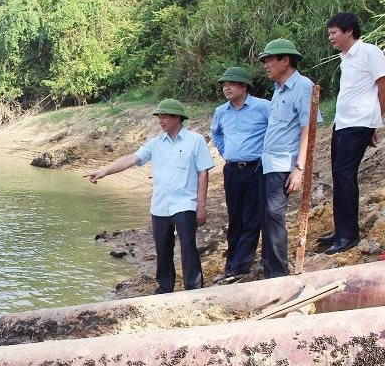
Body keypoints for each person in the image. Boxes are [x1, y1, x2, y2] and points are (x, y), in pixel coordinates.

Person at [85, 99, 215, 293]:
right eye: (159, 117)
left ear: (177, 117)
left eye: (164, 117)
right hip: (160, 205)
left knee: (188, 247)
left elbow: (203, 173)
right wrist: (104, 171)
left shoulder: (195, 140)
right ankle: (164, 289)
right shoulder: (155, 143)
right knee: (162, 249)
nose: (160, 121)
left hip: (185, 203)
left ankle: (194, 289)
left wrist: (201, 206)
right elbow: (131, 158)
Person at [318, 12, 385, 254]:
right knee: (339, 176)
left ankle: (349, 236)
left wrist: (373, 122)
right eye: (329, 33)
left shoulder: (369, 52)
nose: (330, 37)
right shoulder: (345, 58)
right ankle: (340, 231)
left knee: (344, 175)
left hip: (359, 123)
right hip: (342, 123)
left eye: (334, 32)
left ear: (349, 31)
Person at [258, 38, 320, 278]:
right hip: (268, 163)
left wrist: (299, 168)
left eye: (269, 60)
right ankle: (269, 270)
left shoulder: (303, 86)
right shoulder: (278, 90)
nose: (266, 65)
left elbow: (308, 129)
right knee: (267, 217)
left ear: (285, 61)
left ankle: (278, 274)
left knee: (275, 215)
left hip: (284, 164)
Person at [210, 67, 271, 282]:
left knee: (252, 218)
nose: (226, 88)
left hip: (256, 168)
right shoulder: (221, 112)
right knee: (234, 217)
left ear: (244, 86)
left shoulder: (263, 107)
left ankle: (240, 266)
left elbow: (276, 131)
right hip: (232, 170)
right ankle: (231, 264)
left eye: (231, 84)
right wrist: (224, 151)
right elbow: (216, 133)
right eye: (224, 84)